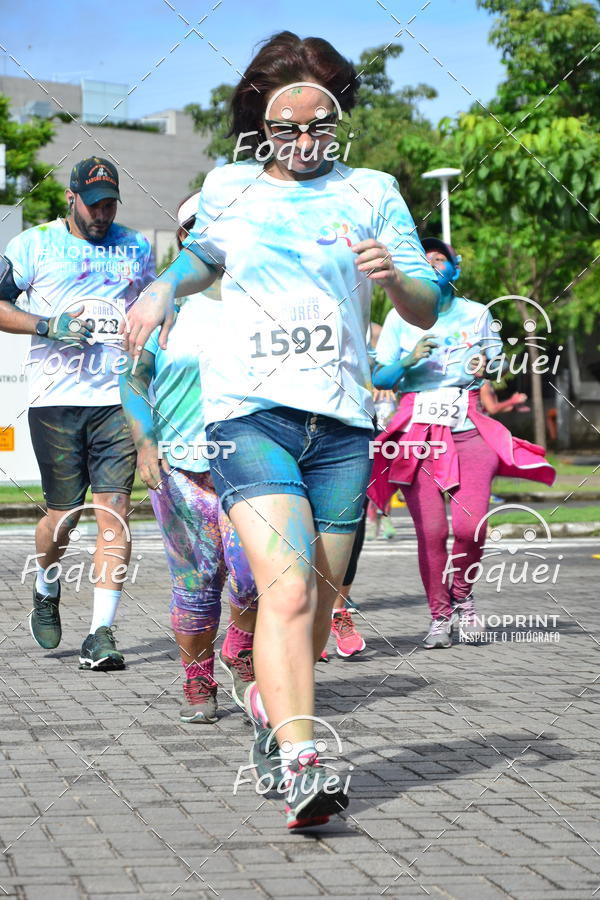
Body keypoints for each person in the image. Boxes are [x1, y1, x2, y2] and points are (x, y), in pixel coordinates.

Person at [126, 31, 440, 828]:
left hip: (340, 423)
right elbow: (204, 259)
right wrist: (165, 287)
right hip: (248, 415)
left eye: (319, 126)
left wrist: (396, 276)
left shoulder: (373, 191)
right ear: (260, 124)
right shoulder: (230, 185)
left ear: (338, 121)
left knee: (320, 594)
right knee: (288, 588)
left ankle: (269, 704)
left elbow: (425, 305)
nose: (304, 141)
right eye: (286, 127)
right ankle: (306, 761)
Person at [0, 157, 155, 669]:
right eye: (93, 205)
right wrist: (46, 326)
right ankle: (47, 585)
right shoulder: (32, 245)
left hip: (116, 399)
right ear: (71, 198)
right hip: (56, 400)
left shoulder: (135, 247)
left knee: (113, 510)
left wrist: (149, 349)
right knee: (61, 517)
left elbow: (152, 308)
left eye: (110, 204)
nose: (102, 214)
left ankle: (100, 634)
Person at [370, 237, 556, 649]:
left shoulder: (478, 314)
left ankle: (463, 596)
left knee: (472, 526)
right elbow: (381, 379)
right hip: (418, 429)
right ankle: (439, 615)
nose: (434, 265)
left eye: (442, 260)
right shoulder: (399, 316)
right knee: (431, 532)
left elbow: (498, 367)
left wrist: (486, 365)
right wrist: (408, 359)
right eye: (426, 261)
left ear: (455, 269)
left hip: (469, 423)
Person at [119, 196, 257, 723]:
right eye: (195, 228)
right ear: (183, 239)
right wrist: (145, 442)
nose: (207, 236)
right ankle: (198, 681)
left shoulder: (258, 302)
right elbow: (133, 380)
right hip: (182, 465)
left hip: (249, 462)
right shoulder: (160, 306)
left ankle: (239, 645)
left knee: (252, 575)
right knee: (197, 582)